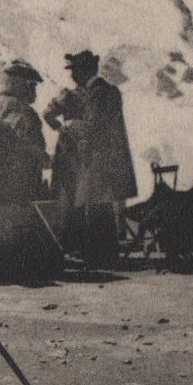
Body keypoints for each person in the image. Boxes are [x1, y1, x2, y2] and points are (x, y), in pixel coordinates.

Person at [50, 50, 139, 264]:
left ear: (83, 71)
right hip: (102, 158)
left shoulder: (100, 93)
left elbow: (94, 126)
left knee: (97, 202)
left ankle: (103, 254)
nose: (72, 77)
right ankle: (101, 251)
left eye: (74, 71)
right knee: (97, 202)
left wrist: (70, 125)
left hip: (100, 158)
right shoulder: (100, 91)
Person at [0, 59, 49, 203]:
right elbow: (18, 142)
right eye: (31, 85)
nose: (33, 90)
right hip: (21, 176)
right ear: (18, 83)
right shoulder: (15, 105)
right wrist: (42, 156)